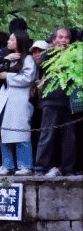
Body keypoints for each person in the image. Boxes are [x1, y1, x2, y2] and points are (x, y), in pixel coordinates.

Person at [0, 31, 35, 175]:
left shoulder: (27, 59)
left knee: (21, 132)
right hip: (6, 98)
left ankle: (25, 166)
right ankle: (7, 165)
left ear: (19, 41)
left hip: (20, 99)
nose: (8, 42)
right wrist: (6, 58)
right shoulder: (8, 57)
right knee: (5, 132)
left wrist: (8, 76)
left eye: (12, 39)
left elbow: (28, 78)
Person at [36, 27, 76, 177]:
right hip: (51, 100)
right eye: (60, 37)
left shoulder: (75, 56)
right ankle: (40, 167)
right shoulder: (47, 55)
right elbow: (47, 67)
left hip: (69, 101)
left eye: (66, 38)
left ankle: (68, 168)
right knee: (47, 135)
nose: (64, 40)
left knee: (69, 137)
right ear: (53, 40)